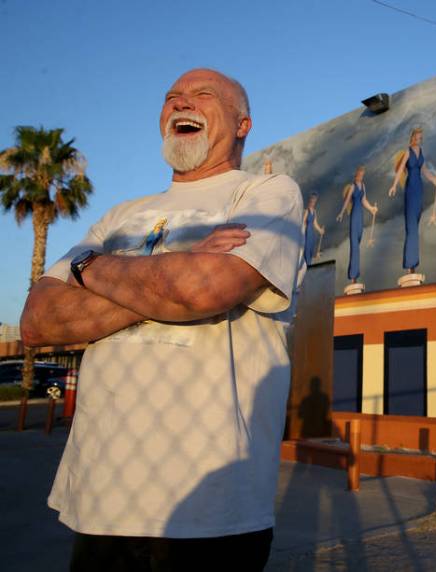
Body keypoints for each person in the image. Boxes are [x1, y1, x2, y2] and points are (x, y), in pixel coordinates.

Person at [19, 68, 304, 571]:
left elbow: (205, 290)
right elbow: (39, 321)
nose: (181, 103)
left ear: (243, 125)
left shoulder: (266, 195)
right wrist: (182, 262)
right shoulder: (119, 216)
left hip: (211, 508)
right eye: (171, 97)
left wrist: (91, 271)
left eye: (202, 95)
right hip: (102, 500)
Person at [389, 127, 436, 273]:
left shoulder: (421, 152)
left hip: (419, 189)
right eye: (417, 138)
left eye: (421, 138)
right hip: (410, 188)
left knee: (415, 225)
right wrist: (393, 186)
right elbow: (400, 170)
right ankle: (410, 265)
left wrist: (434, 179)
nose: (419, 140)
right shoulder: (407, 152)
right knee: (411, 227)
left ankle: (413, 264)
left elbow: (424, 170)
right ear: (412, 138)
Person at [336, 165, 378, 283]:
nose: (361, 176)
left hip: (360, 216)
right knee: (354, 245)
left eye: (362, 175)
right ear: (356, 174)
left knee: (358, 242)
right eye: (360, 174)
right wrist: (341, 213)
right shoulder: (352, 187)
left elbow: (364, 200)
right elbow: (346, 201)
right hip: (354, 215)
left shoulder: (363, 186)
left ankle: (354, 274)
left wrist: (371, 209)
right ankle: (353, 275)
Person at [302, 193, 325, 265]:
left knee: (311, 250)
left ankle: (310, 264)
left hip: (312, 233)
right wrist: (302, 233)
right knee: (307, 250)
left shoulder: (314, 212)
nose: (313, 203)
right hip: (307, 233)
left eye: (314, 201)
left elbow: (315, 223)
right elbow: (303, 223)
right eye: (312, 201)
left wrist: (320, 230)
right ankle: (307, 266)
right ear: (309, 201)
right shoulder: (306, 211)